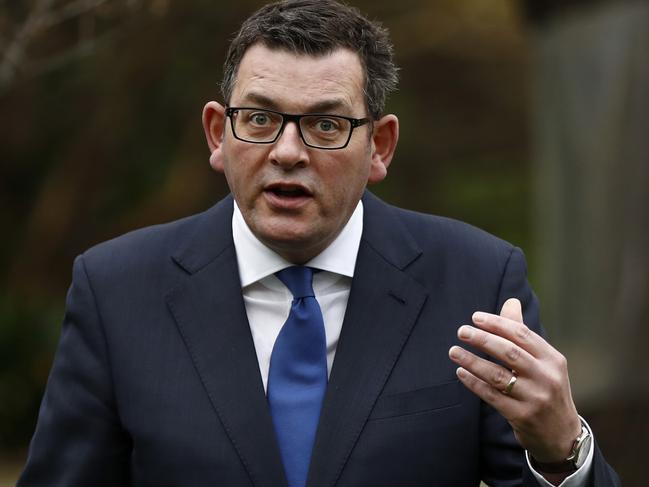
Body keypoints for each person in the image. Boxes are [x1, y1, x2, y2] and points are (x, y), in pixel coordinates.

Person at [19, 1, 620, 486]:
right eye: (258, 119)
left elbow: (546, 465)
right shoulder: (117, 290)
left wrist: (565, 450)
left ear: (379, 147)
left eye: (325, 125)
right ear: (217, 134)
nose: (286, 151)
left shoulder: (476, 281)